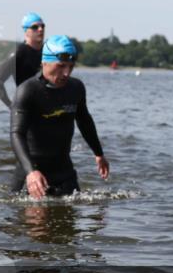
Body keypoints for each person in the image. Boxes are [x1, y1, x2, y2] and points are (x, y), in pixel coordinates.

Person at [10, 35, 109, 198]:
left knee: (70, 221)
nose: (66, 73)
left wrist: (99, 154)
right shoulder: (27, 90)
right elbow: (16, 134)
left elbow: (84, 121)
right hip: (33, 174)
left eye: (71, 66)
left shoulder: (76, 88)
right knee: (33, 222)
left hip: (65, 174)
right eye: (61, 66)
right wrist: (31, 172)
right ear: (44, 62)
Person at [0, 12, 46, 108]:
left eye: (42, 26)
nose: (40, 29)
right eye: (35, 27)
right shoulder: (19, 52)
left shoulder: (47, 51)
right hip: (25, 108)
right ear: (26, 31)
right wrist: (10, 105)